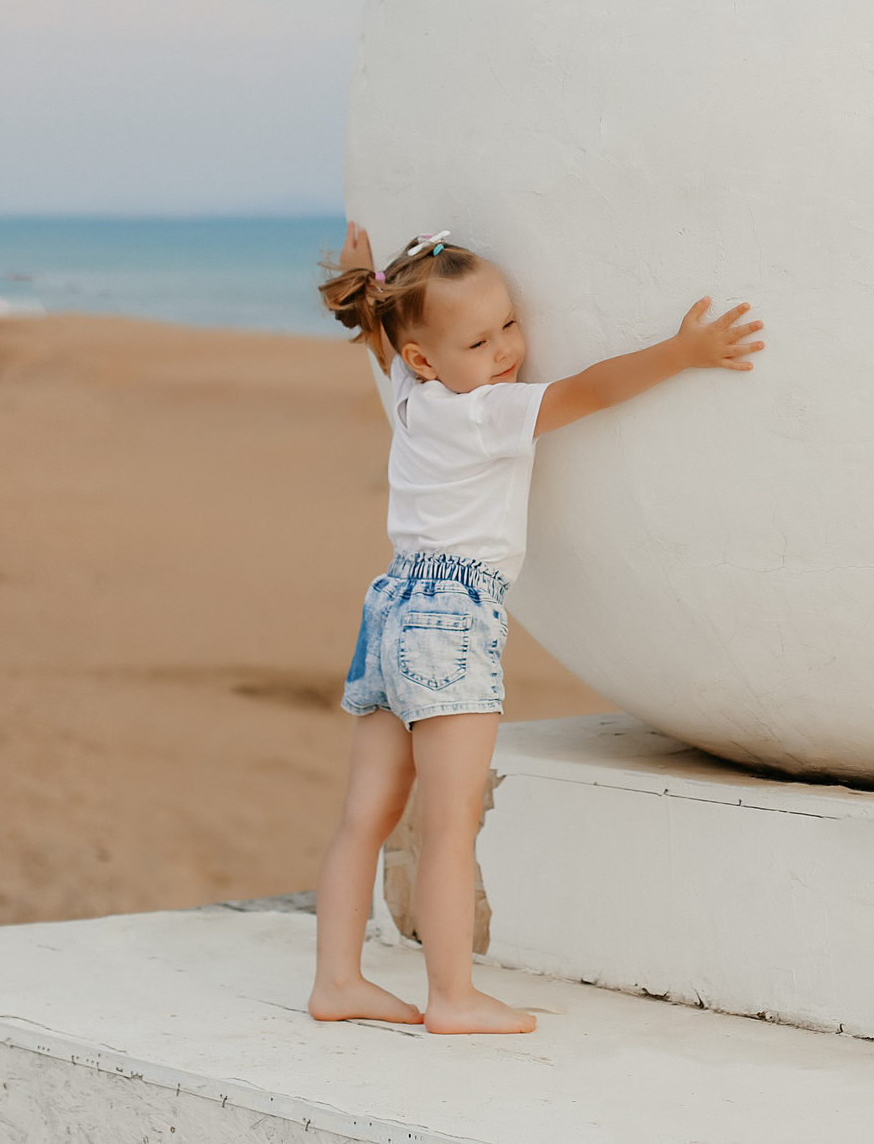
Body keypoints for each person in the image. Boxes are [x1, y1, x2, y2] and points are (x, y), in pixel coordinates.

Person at [306, 222, 763, 1033]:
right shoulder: (484, 413)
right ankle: (452, 996)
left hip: (390, 609)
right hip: (450, 619)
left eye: (509, 324)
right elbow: (589, 391)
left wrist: (363, 288)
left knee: (365, 814)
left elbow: (383, 341)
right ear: (427, 357)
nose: (506, 349)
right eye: (479, 340)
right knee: (450, 822)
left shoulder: (415, 394)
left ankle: (337, 980)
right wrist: (682, 350)